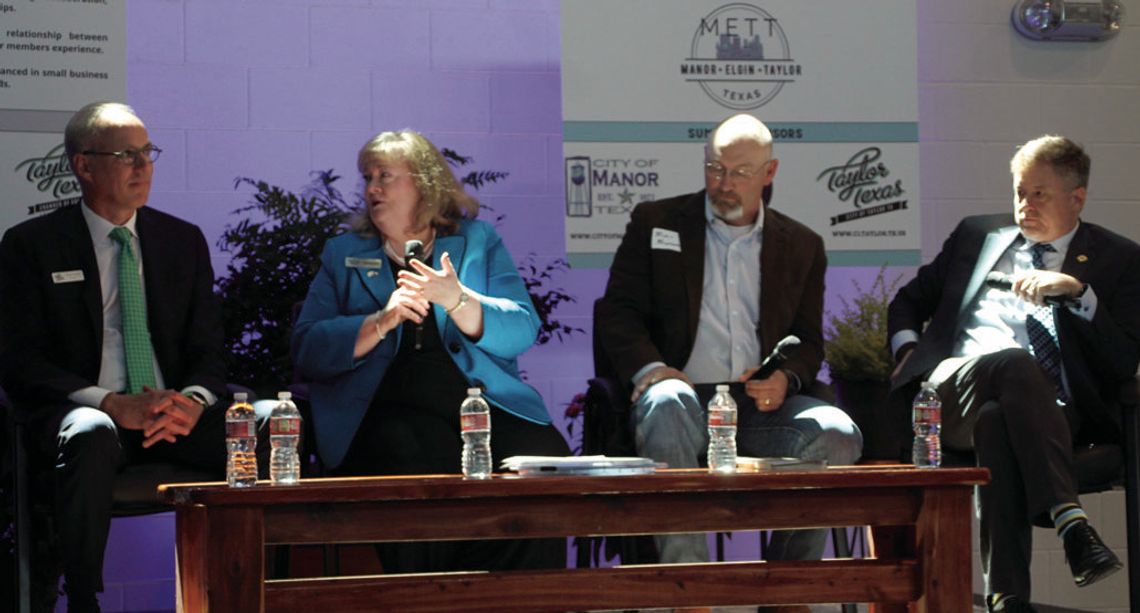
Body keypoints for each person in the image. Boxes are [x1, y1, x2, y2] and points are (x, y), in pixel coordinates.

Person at [594, 113, 863, 579]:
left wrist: (785, 377)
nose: (724, 183)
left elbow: (808, 341)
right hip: (682, 396)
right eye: (715, 169)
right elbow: (619, 313)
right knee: (667, 402)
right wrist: (652, 368)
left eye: (739, 172)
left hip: (756, 408)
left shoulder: (801, 244)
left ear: (769, 173)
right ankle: (691, 589)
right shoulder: (656, 222)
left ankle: (785, 590)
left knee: (837, 432)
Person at [291, 129, 569, 572]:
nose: (372, 189)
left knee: (545, 458)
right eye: (367, 177)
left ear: (424, 184)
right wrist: (381, 320)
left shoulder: (477, 242)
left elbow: (521, 329)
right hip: (384, 408)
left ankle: (518, 597)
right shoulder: (343, 253)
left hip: (476, 404)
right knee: (413, 459)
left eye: (385, 176)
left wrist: (456, 298)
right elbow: (307, 347)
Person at [888, 135, 1137, 612]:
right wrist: (908, 350)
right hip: (951, 389)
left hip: (1050, 414)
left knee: (998, 422)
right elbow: (907, 301)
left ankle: (1008, 599)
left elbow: (1123, 361)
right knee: (1013, 364)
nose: (1025, 205)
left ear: (1076, 197)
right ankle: (1071, 522)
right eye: (1019, 192)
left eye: (1038, 193)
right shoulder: (977, 237)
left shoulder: (1118, 260)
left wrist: (1079, 295)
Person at [0, 102, 231, 613]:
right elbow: (20, 361)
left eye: (147, 152)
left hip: (177, 417)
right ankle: (84, 599)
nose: (143, 166)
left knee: (260, 424)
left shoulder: (181, 240)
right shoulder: (30, 245)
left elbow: (210, 347)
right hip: (95, 417)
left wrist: (191, 400)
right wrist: (109, 402)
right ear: (84, 165)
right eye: (127, 155)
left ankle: (250, 588)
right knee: (89, 432)